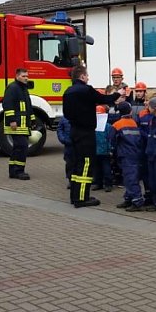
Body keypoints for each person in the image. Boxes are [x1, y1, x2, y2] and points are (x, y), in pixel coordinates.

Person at [63, 65, 122, 208]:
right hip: (86, 133)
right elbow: (102, 98)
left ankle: (75, 195)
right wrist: (117, 94)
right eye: (87, 75)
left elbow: (66, 113)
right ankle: (83, 198)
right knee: (86, 165)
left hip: (75, 131)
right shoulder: (86, 90)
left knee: (77, 165)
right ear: (82, 76)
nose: (88, 78)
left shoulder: (68, 92)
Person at [110, 102, 145, 211]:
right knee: (130, 177)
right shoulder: (134, 123)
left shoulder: (116, 124)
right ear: (130, 111)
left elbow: (111, 140)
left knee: (130, 178)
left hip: (125, 155)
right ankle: (129, 198)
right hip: (135, 153)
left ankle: (137, 201)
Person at [3, 68, 33, 180]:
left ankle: (13, 171)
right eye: (23, 76)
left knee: (18, 147)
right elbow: (7, 104)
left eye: (27, 76)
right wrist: (12, 120)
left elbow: (28, 106)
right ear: (17, 76)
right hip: (16, 125)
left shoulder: (23, 89)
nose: (26, 78)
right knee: (22, 147)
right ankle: (19, 171)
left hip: (23, 125)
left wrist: (32, 119)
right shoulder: (13, 88)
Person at [56, 116, 74, 189]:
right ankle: (70, 180)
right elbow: (59, 129)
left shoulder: (78, 116)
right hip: (68, 145)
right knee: (69, 163)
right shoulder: (64, 118)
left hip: (77, 144)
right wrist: (63, 139)